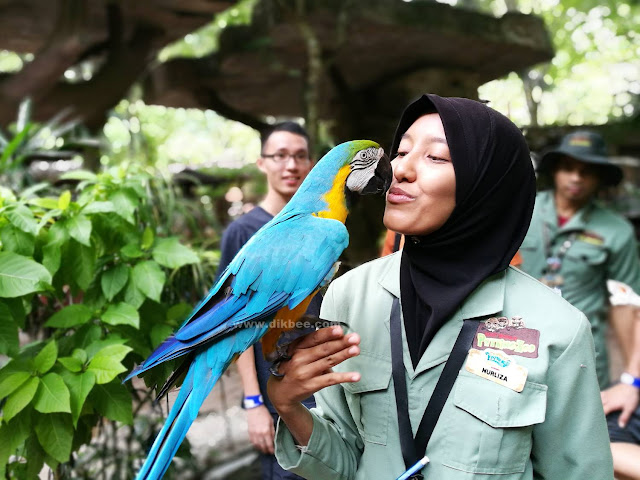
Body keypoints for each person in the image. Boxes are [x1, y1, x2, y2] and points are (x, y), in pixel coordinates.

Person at [266, 94, 613, 479]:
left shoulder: (556, 329)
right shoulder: (348, 295)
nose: (400, 170)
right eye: (401, 152)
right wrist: (289, 406)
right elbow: (345, 461)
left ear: (485, 184)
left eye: (436, 157)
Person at [516, 131, 640, 477]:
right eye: (568, 167)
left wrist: (632, 382)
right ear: (555, 169)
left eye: (587, 170)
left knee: (579, 460)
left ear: (599, 177)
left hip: (583, 368)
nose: (576, 177)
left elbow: (629, 307)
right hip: (508, 355)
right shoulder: (519, 209)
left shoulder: (616, 231)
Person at [217, 121, 316, 480]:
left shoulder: (323, 226)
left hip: (323, 389)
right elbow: (234, 325)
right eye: (280, 156)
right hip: (275, 397)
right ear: (263, 163)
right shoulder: (244, 231)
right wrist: (254, 402)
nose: (291, 165)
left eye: (300, 156)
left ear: (311, 164)